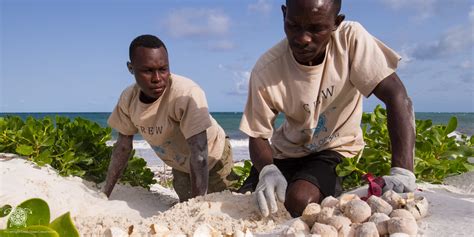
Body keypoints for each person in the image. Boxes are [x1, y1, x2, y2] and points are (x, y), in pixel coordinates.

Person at [239, 0, 416, 218]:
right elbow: (257, 134)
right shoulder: (267, 68)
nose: (303, 38)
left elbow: (397, 96)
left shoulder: (350, 40)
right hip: (286, 152)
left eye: (316, 28)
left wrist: (403, 172)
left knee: (299, 200)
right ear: (284, 14)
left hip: (334, 148)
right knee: (245, 201)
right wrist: (267, 170)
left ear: (336, 22)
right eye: (293, 25)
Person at [103, 34, 236, 202]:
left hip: (212, 157)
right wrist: (105, 194)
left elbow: (200, 153)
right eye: (148, 71)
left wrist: (196, 206)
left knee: (223, 202)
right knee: (185, 202)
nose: (157, 79)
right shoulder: (129, 99)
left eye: (163, 69)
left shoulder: (185, 94)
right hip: (180, 163)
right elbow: (122, 147)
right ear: (131, 68)